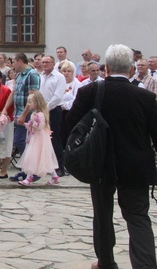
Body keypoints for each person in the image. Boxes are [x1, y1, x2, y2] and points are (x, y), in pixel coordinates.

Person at [68, 44, 157, 269]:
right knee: (138, 217)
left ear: (106, 67)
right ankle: (145, 265)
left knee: (103, 215)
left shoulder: (90, 92)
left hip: (100, 163)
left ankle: (106, 262)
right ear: (131, 69)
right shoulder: (145, 97)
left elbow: (70, 127)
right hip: (135, 166)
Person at [9, 53, 40, 182]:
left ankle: (32, 170)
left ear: (21, 61)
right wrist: (6, 109)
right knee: (21, 141)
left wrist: (24, 114)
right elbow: (14, 92)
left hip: (26, 114)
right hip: (18, 112)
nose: (13, 65)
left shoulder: (32, 74)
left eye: (14, 62)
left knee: (21, 141)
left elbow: (32, 97)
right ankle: (26, 170)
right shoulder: (19, 75)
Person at [17, 92, 59, 187]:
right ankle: (54, 176)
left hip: (39, 138)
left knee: (35, 156)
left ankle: (29, 178)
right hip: (35, 137)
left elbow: (39, 127)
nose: (28, 104)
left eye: (30, 102)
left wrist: (32, 123)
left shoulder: (40, 115)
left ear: (36, 103)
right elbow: (32, 127)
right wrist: (25, 124)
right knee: (37, 157)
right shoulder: (35, 114)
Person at [39, 55, 66, 176]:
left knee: (55, 138)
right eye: (43, 62)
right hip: (40, 111)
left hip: (53, 110)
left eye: (47, 62)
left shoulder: (59, 77)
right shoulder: (40, 76)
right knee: (41, 139)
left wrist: (46, 108)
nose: (44, 64)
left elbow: (58, 96)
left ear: (53, 63)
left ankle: (59, 166)